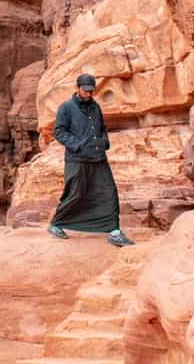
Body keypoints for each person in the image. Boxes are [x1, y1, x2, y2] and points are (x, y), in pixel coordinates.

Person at [47, 74, 134, 247]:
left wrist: (104, 142)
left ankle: (114, 231)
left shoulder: (95, 107)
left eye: (91, 90)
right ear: (78, 88)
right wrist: (78, 145)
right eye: (86, 90)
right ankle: (56, 224)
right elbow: (59, 131)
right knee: (75, 193)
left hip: (98, 157)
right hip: (77, 159)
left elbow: (102, 128)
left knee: (108, 192)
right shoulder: (66, 108)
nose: (89, 93)